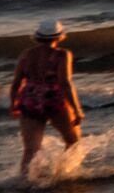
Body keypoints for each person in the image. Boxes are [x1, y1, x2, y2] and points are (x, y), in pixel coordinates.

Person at [9, 18, 81, 176]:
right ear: (60, 36)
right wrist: (77, 110)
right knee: (73, 140)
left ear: (38, 36)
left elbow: (16, 82)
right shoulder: (62, 55)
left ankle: (25, 180)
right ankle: (64, 174)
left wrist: (13, 104)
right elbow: (65, 83)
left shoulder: (26, 54)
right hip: (53, 99)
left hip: (29, 100)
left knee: (31, 149)